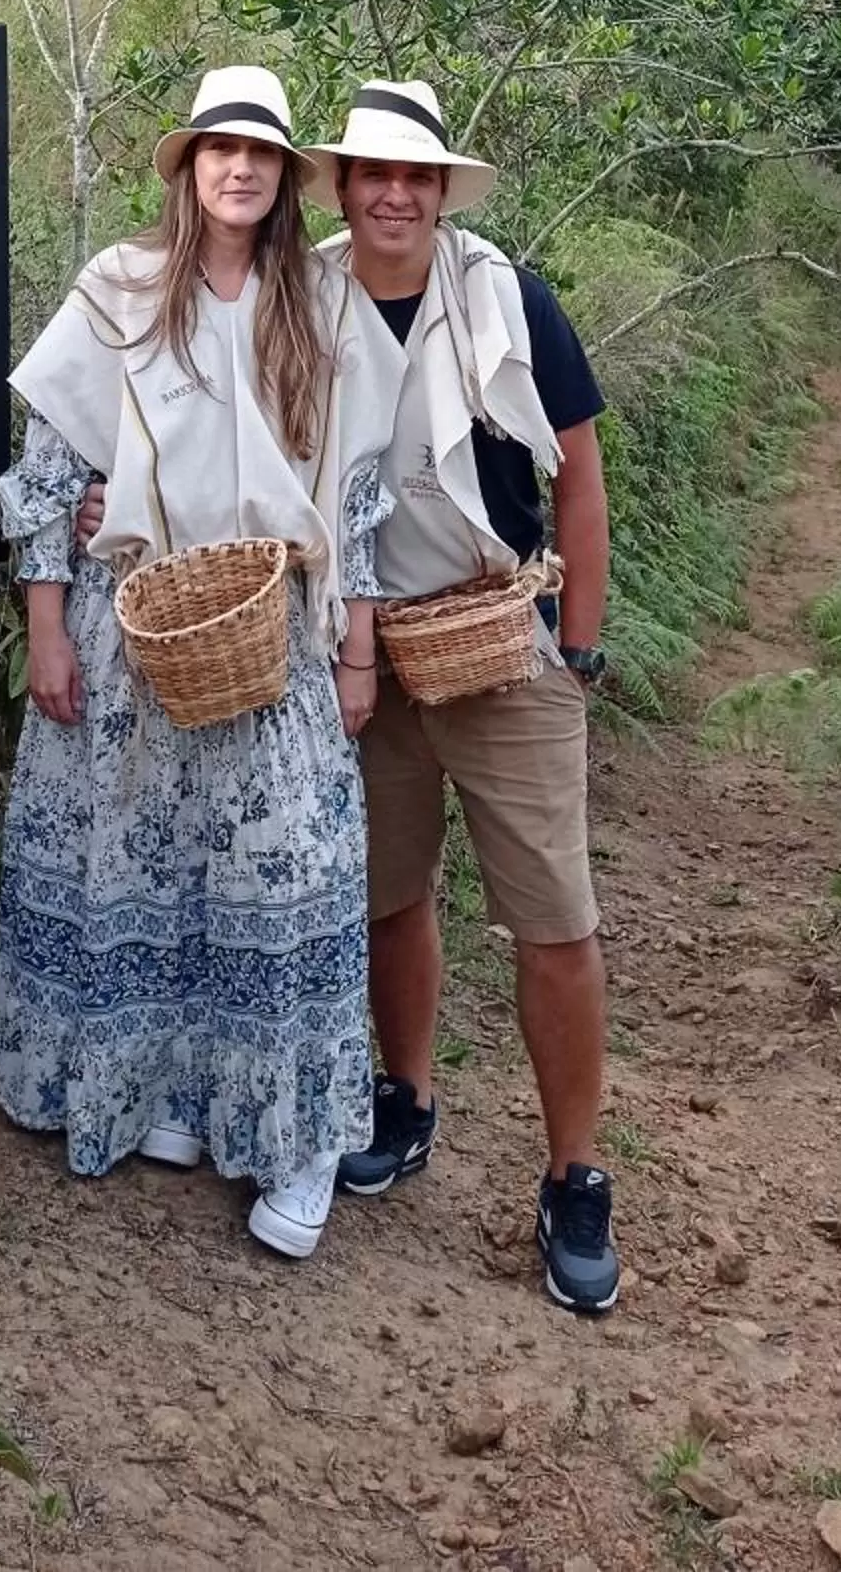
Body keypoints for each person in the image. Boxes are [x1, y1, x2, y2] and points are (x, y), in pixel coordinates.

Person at [0, 67, 400, 1261]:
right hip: (135, 623)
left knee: (288, 870)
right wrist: (46, 628)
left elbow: (356, 497)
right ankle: (165, 1088)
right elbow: (51, 471)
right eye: (219, 147)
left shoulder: (317, 311)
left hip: (274, 624)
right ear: (187, 166)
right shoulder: (119, 293)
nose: (239, 166)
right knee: (146, 860)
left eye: (260, 152)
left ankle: (301, 1139)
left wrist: (359, 653)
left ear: (283, 180)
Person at [306, 79, 622, 1316]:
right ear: (342, 186)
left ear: (440, 192)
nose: (393, 193)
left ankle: (575, 1173)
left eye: (416, 177)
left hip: (503, 649)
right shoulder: (310, 300)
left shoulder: (507, 301)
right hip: (361, 653)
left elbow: (581, 476)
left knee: (554, 920)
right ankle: (407, 1095)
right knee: (389, 895)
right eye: (373, 174)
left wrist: (576, 648)